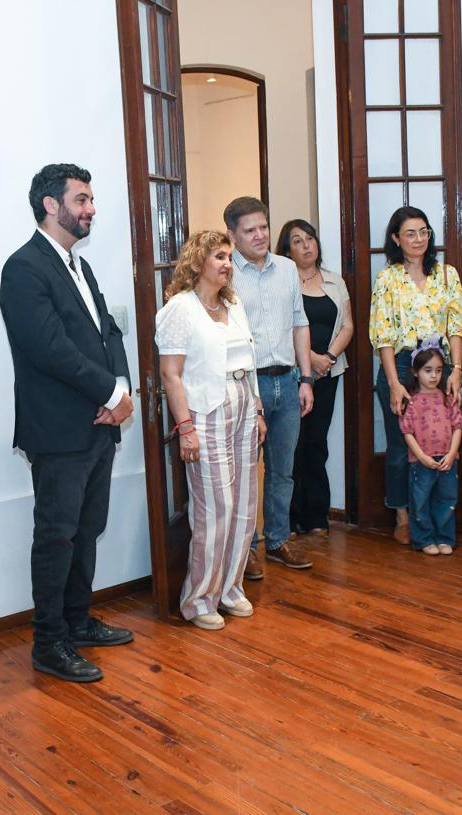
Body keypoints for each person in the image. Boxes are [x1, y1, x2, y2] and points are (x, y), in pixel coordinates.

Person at [0, 163, 135, 683]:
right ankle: (49, 642)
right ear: (51, 205)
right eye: (81, 200)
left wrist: (120, 391)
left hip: (98, 424)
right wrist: (110, 394)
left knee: (87, 529)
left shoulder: (80, 265)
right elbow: (49, 349)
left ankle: (77, 621)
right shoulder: (23, 268)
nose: (91, 209)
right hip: (58, 431)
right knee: (56, 538)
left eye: (90, 199)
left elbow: (108, 332)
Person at [156, 230, 265, 630]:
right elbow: (171, 374)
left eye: (228, 257)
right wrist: (185, 427)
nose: (226, 264)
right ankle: (199, 599)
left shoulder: (233, 305)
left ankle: (230, 589)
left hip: (243, 404)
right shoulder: (180, 309)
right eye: (219, 256)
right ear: (197, 261)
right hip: (206, 411)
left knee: (244, 503)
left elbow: (249, 362)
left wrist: (257, 408)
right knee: (216, 508)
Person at [368, 205, 462, 545]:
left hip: (441, 366)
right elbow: (382, 335)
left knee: (443, 439)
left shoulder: (447, 275)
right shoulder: (387, 279)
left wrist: (456, 371)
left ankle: (439, 520)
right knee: (401, 445)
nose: (418, 239)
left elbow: (457, 326)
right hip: (400, 366)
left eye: (423, 232)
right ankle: (402, 517)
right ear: (396, 239)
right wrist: (394, 383)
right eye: (410, 233)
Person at [225, 197, 315, 580]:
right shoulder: (225, 273)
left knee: (283, 471)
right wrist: (251, 395)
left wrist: (306, 378)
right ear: (232, 234)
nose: (260, 235)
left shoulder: (287, 268)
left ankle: (278, 540)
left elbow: (300, 322)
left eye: (263, 226)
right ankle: (247, 549)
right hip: (248, 384)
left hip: (288, 381)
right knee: (246, 474)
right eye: (250, 230)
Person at [276, 218, 352, 537]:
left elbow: (348, 325)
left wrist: (328, 358)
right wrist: (310, 360)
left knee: (317, 442)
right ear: (287, 250)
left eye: (310, 238)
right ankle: (290, 518)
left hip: (329, 373)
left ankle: (317, 515)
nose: (307, 245)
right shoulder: (282, 283)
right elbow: (280, 330)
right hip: (293, 373)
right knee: (292, 445)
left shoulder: (335, 281)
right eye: (298, 240)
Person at [399, 343, 462, 556]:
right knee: (420, 501)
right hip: (422, 461)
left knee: (447, 499)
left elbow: (457, 427)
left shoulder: (448, 398)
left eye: (438, 370)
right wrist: (421, 457)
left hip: (447, 459)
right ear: (416, 372)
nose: (434, 376)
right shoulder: (411, 401)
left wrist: (452, 454)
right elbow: (407, 432)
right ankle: (424, 539)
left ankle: (444, 538)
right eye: (428, 370)